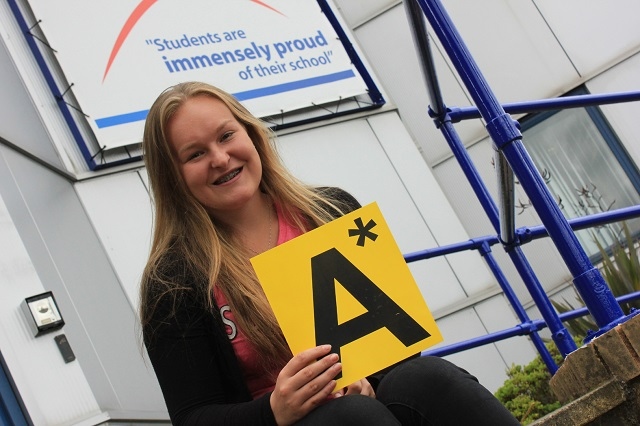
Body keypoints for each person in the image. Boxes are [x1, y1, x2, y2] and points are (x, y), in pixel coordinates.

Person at [139, 81, 520, 426]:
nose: (220, 158)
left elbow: (398, 352)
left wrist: (369, 380)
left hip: (366, 411)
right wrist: (274, 410)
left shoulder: (331, 211)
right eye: (195, 154)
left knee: (428, 378)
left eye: (226, 136)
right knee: (352, 418)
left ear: (252, 134)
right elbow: (194, 418)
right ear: (173, 176)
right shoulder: (173, 282)